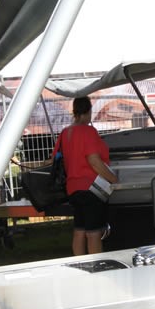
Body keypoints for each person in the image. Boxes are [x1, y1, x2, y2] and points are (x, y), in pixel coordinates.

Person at [53, 96, 117, 256]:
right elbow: (94, 161)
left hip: (72, 189)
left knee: (79, 230)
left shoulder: (65, 133)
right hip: (91, 189)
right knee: (93, 233)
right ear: (89, 112)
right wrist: (113, 179)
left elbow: (55, 158)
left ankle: (80, 266)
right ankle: (96, 267)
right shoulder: (88, 132)